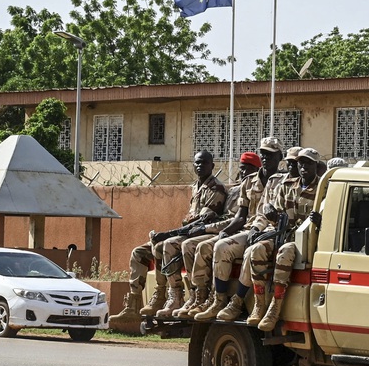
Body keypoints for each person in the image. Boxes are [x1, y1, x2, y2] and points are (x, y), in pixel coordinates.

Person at [109, 150, 226, 329]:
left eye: (204, 163)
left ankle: (175, 295)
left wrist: (168, 234)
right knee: (139, 252)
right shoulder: (196, 186)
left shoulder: (215, 189)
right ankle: (134, 303)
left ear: (212, 165)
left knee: (167, 245)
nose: (200, 166)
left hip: (198, 235)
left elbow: (198, 224)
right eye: (197, 163)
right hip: (184, 233)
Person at [194, 137, 285, 320]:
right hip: (249, 229)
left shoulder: (283, 181)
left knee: (250, 252)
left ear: (279, 157)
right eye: (263, 154)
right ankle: (218, 299)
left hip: (271, 232)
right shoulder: (249, 181)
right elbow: (241, 216)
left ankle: (237, 301)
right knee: (220, 246)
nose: (265, 157)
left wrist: (258, 230)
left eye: (270, 154)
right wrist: (225, 232)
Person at [240, 148, 322, 331]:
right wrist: (272, 214)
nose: (303, 167)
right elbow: (275, 213)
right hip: (281, 234)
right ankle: (259, 303)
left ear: (316, 165)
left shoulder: (322, 190)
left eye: (308, 163)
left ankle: (275, 308)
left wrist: (320, 221)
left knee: (285, 252)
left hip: (303, 241)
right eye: (300, 163)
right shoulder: (287, 185)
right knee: (256, 250)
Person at [172, 152, 261, 318]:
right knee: (188, 245)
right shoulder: (234, 191)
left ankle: (214, 297)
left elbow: (237, 220)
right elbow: (227, 217)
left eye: (249, 169)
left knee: (205, 246)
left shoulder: (263, 187)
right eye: (242, 169)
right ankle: (197, 295)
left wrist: (209, 229)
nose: (244, 173)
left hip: (246, 231)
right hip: (228, 229)